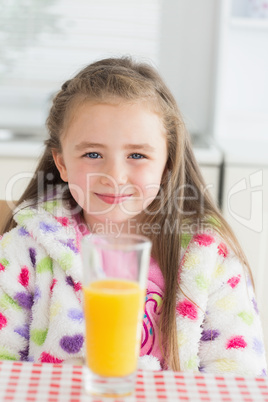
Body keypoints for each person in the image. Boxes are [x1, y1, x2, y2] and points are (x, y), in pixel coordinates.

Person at [0, 57, 266, 375]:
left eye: (137, 155)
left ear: (167, 164)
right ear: (62, 164)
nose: (115, 175)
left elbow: (239, 377)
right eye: (93, 154)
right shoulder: (24, 249)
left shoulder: (210, 256)